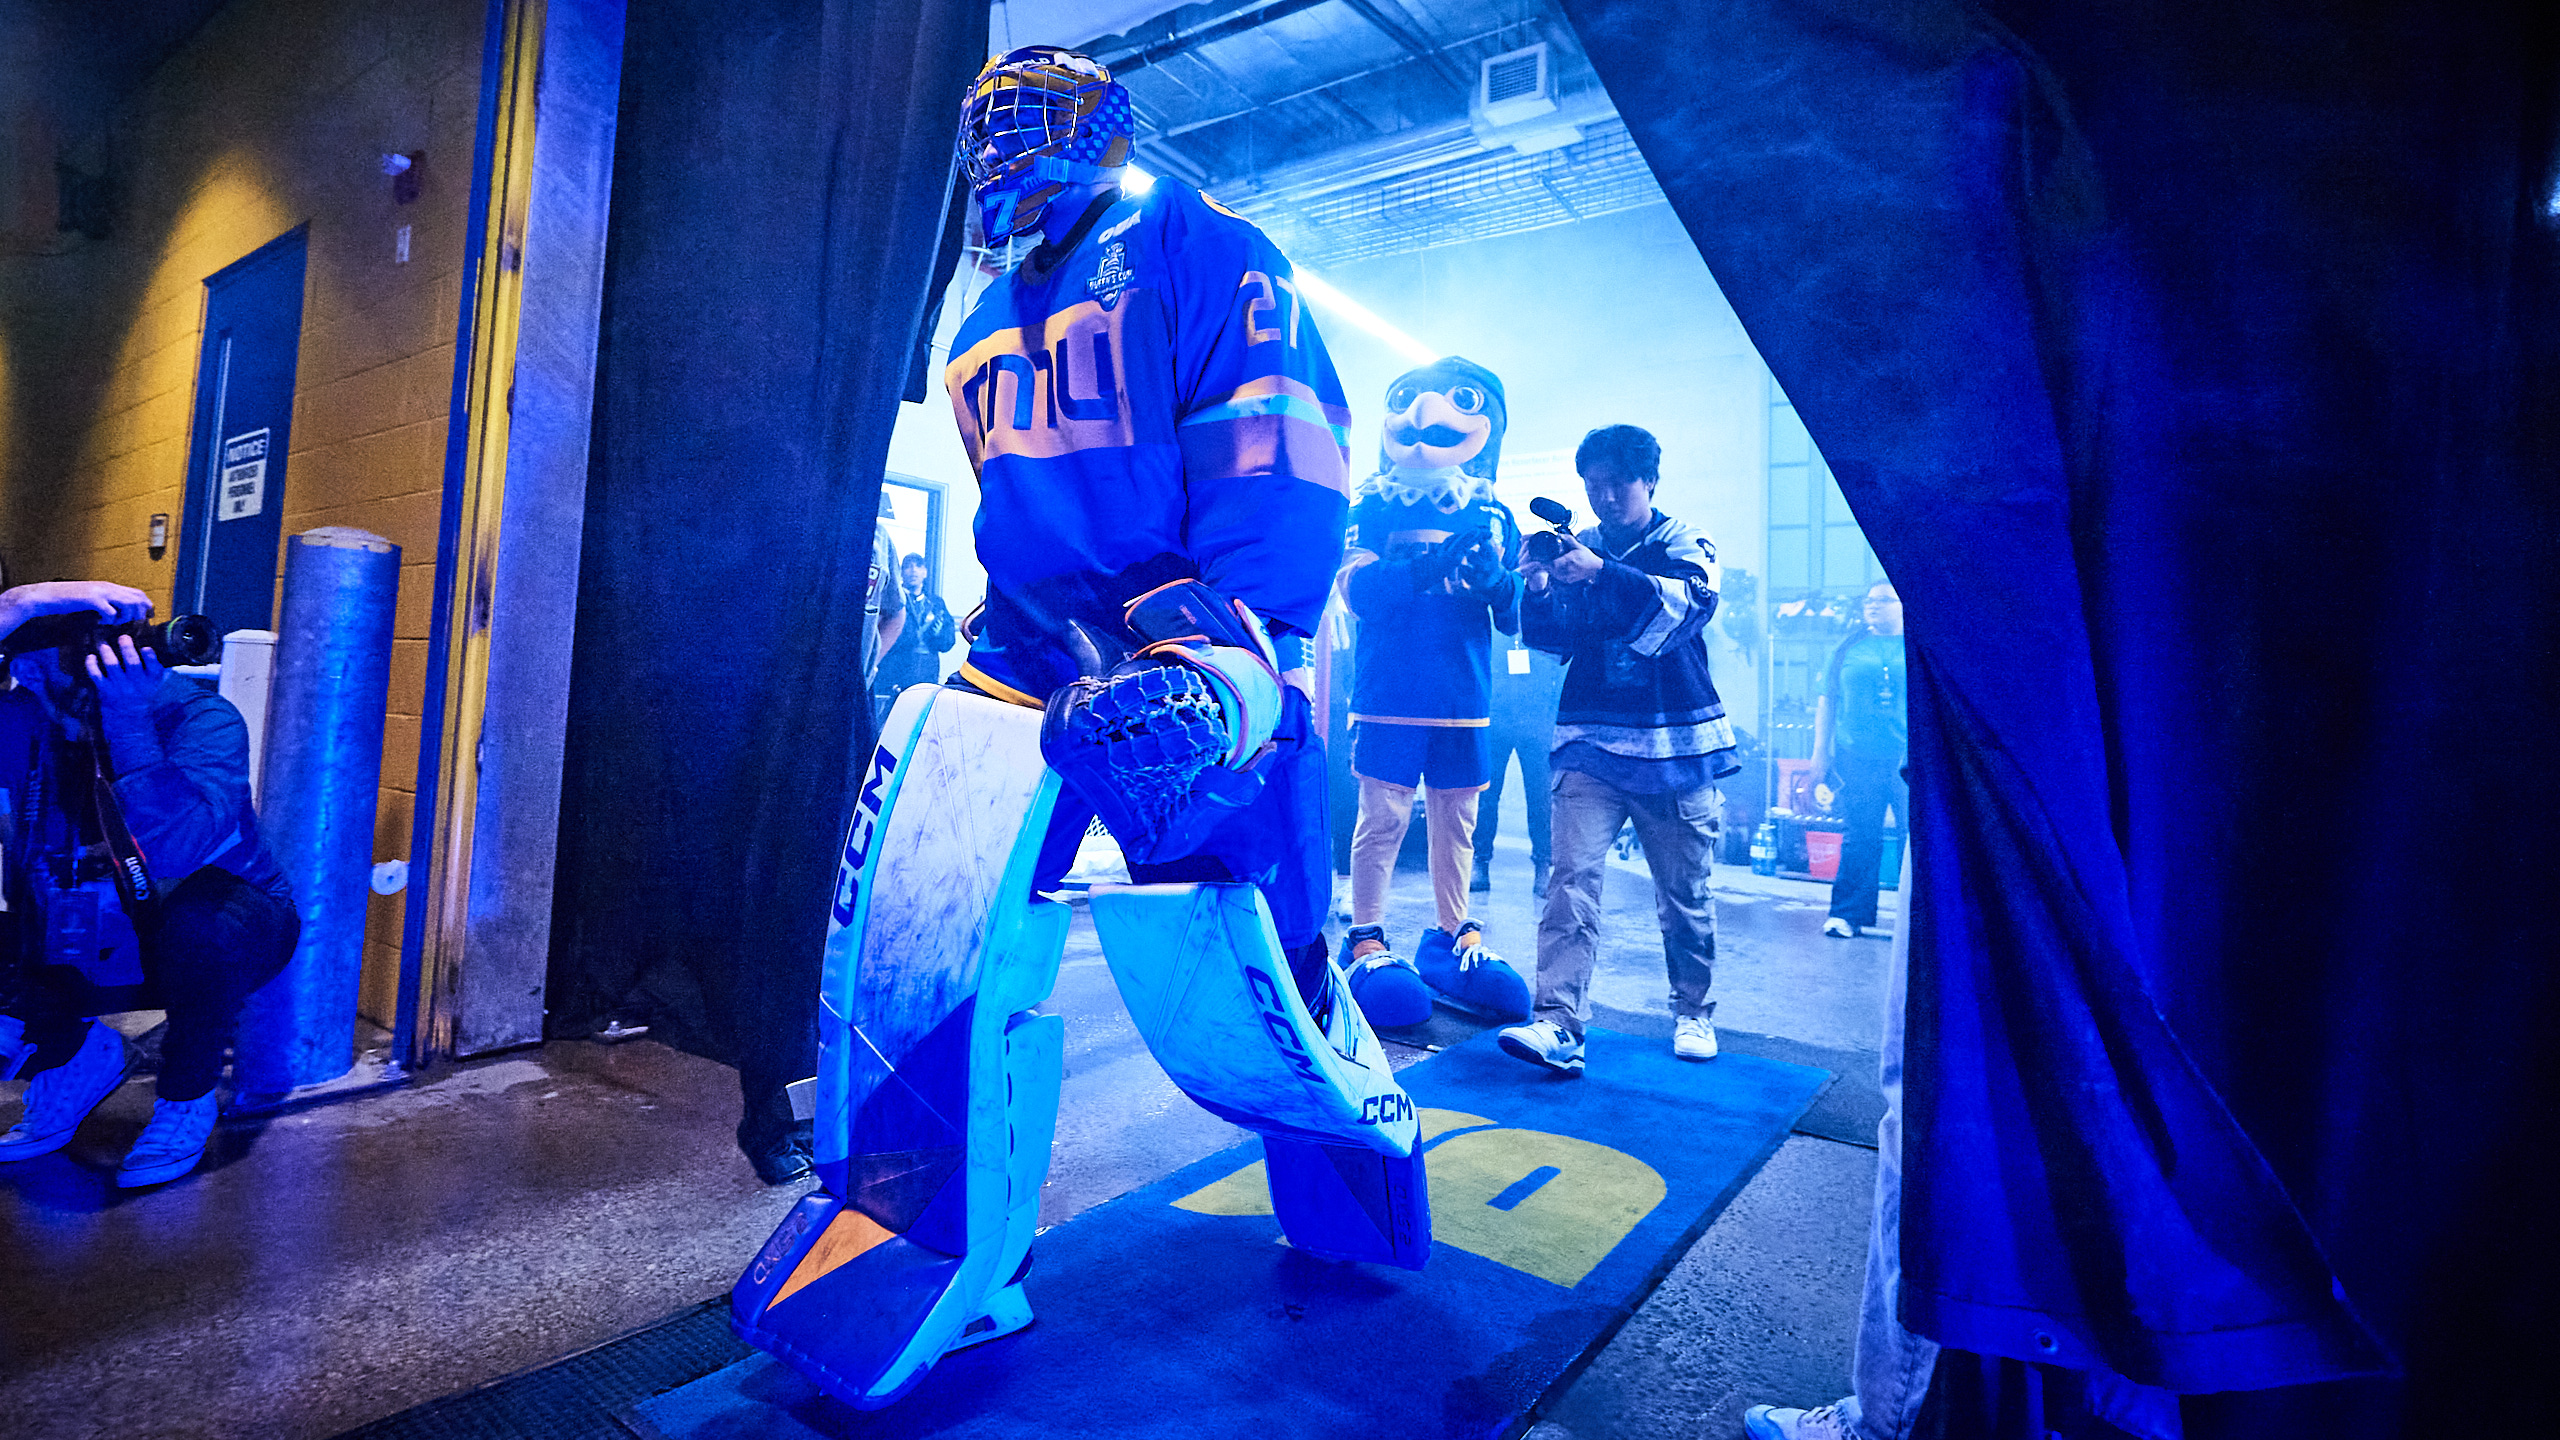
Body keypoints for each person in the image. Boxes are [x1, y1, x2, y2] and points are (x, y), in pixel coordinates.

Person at [0, 580, 299, 1187]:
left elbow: (171, 849)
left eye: (33, 660)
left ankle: (187, 1096)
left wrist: (128, 722)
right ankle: (75, 1060)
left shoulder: (201, 717)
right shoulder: (29, 719)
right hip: (86, 927)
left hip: (219, 924)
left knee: (202, 925)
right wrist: (17, 607)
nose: (23, 676)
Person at [1496, 425, 1738, 1074]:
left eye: (1616, 485)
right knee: (1569, 882)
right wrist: (1542, 589)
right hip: (1590, 741)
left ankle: (1693, 1010)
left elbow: (1686, 609)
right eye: (1593, 487)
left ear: (1649, 481)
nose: (1604, 498)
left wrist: (1601, 571)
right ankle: (1558, 1024)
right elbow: (1556, 642)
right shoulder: (1578, 546)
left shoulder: (1685, 542)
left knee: (1684, 893)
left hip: (1675, 747)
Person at [1335, 357, 1531, 1026]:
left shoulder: (1492, 505)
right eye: (1408, 399)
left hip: (1464, 690)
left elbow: (1514, 612)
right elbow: (1357, 591)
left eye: (1456, 400)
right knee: (1385, 815)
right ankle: (1365, 937)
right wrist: (1425, 569)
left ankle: (1454, 934)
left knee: (1458, 818)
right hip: (1390, 687)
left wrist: (1493, 581)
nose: (1424, 414)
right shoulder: (1373, 500)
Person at [1811, 581, 1906, 939]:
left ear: (1901, 604)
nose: (1872, 606)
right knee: (1860, 836)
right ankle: (1847, 914)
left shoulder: (1917, 644)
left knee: (1913, 837)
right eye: (1868, 601)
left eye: (1882, 600)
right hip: (1856, 757)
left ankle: (1917, 921)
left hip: (1907, 760)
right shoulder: (1848, 646)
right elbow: (1827, 701)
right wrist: (1820, 754)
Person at [1472, 639, 1563, 899]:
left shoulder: (1541, 610)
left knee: (1541, 796)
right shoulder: (1494, 610)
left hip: (1538, 717)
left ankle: (1544, 865)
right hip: (1495, 713)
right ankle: (1480, 861)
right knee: (1486, 794)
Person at [872, 552, 956, 711]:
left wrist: (937, 634)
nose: (913, 570)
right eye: (908, 566)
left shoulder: (936, 603)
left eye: (918, 566)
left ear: (925, 572)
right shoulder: (894, 600)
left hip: (926, 674)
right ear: (901, 573)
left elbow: (948, 641)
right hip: (895, 673)